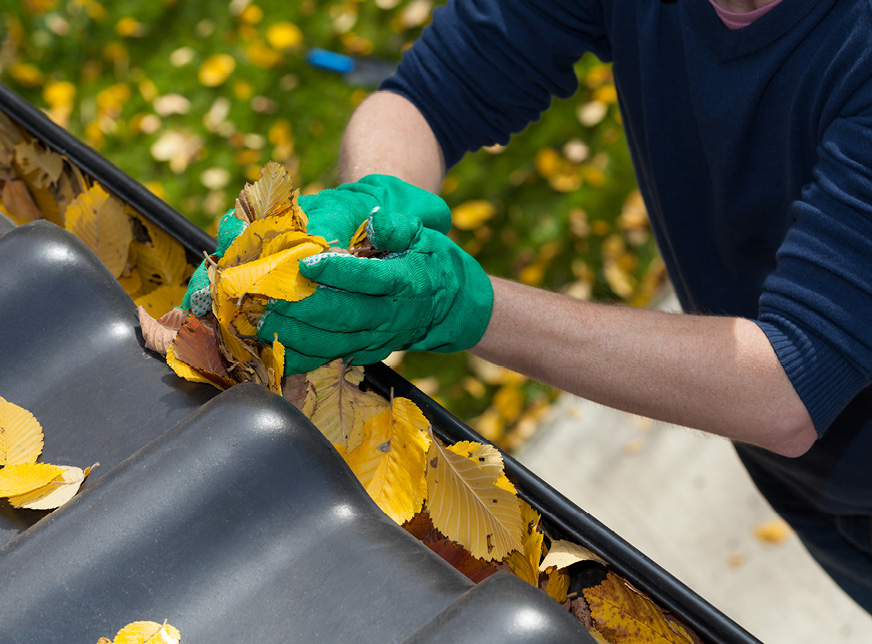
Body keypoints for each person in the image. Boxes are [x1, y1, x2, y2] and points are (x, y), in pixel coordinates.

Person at [189, 0, 872, 612]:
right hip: (810, 482)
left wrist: (462, 305)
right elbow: (428, 95)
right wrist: (374, 209)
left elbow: (785, 385)